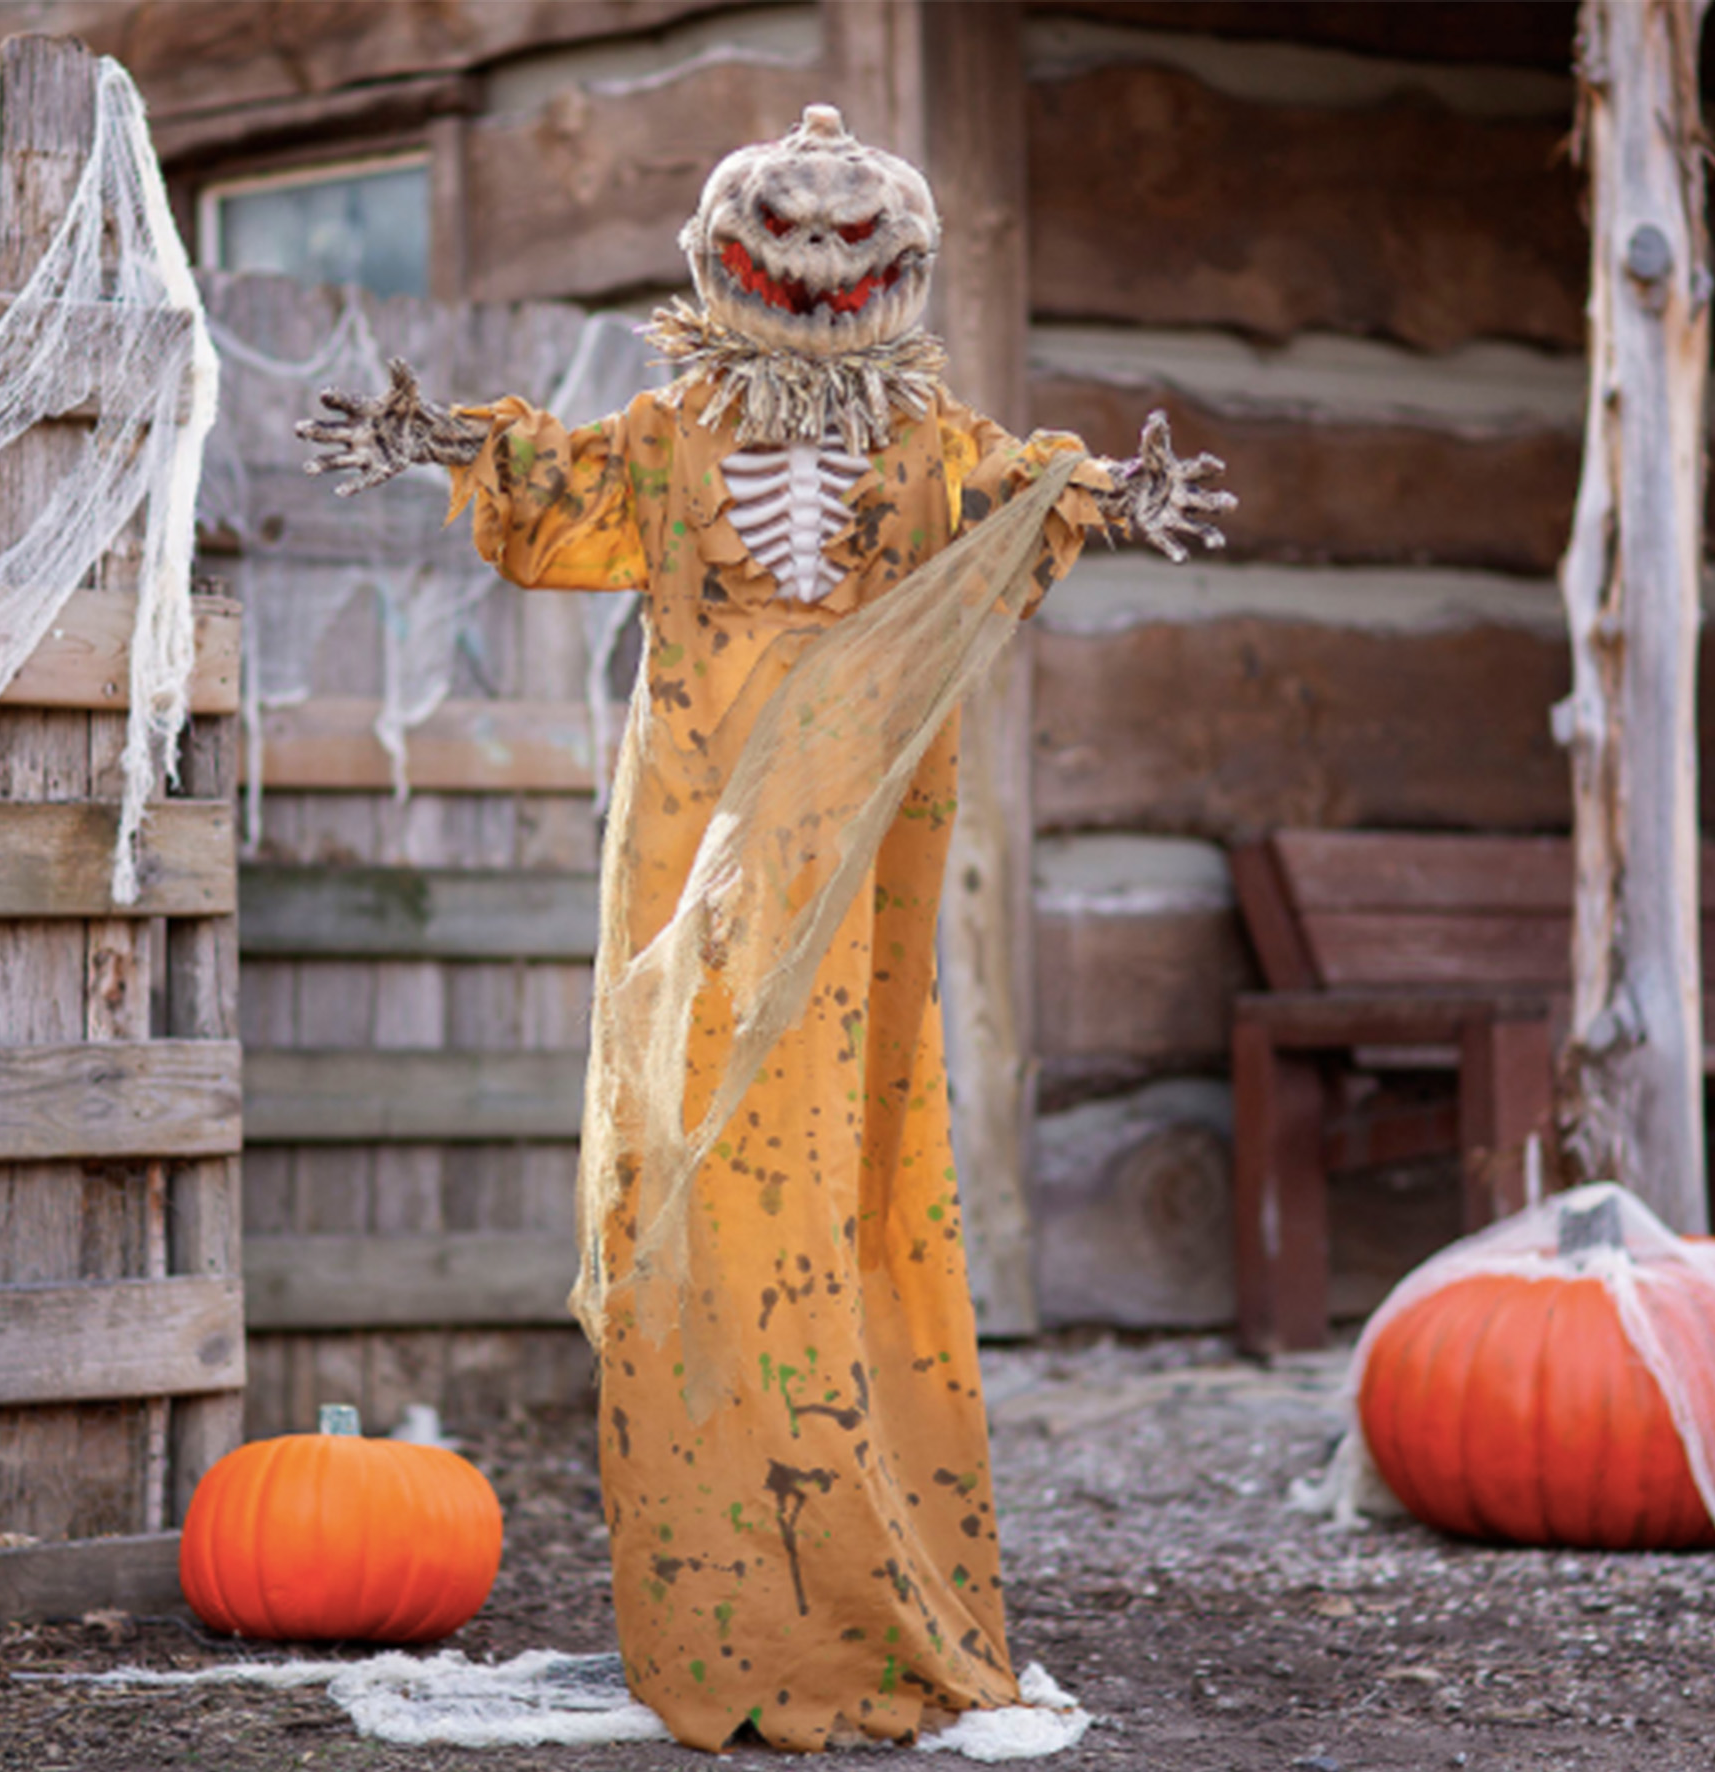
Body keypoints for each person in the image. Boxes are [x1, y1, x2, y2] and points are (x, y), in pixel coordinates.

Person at [299, 104, 1231, 1753]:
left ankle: (865, 1586)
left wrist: (1112, 505)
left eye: (848, 234)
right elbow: (563, 498)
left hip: (857, 878)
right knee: (702, 1187)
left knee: (842, 1179)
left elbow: (1028, 507)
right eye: (782, 232)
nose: (811, 259)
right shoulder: (668, 441)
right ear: (719, 252)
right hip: (696, 868)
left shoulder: (936, 450)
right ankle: (725, 1606)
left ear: (907, 260)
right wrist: (449, 445)